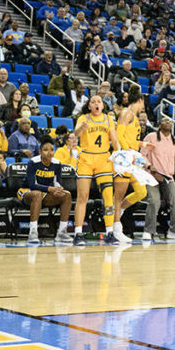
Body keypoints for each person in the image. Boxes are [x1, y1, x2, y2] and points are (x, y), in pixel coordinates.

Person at [72, 95, 122, 245]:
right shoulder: (83, 118)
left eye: (98, 101)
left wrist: (119, 153)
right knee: (83, 196)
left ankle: (109, 232)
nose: (96, 104)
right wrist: (81, 128)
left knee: (108, 196)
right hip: (86, 159)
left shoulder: (108, 119)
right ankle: (78, 233)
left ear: (102, 105)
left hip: (103, 159)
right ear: (89, 106)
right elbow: (75, 134)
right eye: (93, 102)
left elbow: (114, 140)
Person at [141, 116, 175, 242]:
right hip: (151, 176)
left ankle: (174, 231)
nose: (167, 122)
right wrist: (148, 165)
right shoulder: (150, 137)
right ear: (159, 124)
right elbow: (142, 155)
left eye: (169, 121)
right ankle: (148, 231)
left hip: (168, 176)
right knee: (154, 201)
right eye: (164, 120)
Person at [19, 139, 74, 245]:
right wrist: (50, 189)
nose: (49, 152)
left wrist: (58, 190)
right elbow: (32, 185)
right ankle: (33, 232)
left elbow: (57, 182)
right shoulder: (33, 162)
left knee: (66, 195)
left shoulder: (57, 163)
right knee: (37, 194)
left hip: (45, 193)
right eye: (45, 150)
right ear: (40, 152)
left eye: (52, 150)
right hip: (27, 191)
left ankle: (62, 232)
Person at [112, 89, 148, 243]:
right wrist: (127, 151)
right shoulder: (127, 113)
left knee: (141, 191)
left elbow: (129, 137)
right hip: (125, 158)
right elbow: (118, 134)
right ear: (139, 100)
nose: (144, 105)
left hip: (132, 157)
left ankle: (118, 213)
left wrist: (142, 144)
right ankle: (115, 229)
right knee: (118, 196)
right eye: (143, 102)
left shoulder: (133, 116)